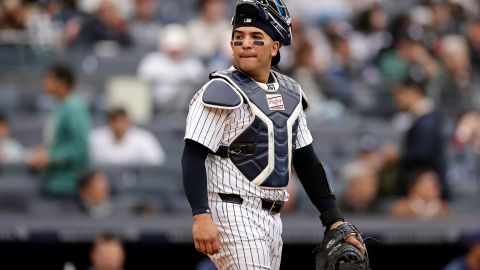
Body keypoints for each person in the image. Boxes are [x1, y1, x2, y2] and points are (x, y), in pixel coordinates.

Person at [181, 1, 366, 269]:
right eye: (238, 38)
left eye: (256, 38)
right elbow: (192, 156)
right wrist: (200, 215)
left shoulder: (290, 92)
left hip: (272, 217)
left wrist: (332, 217)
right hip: (231, 210)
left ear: (275, 47)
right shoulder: (219, 91)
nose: (245, 44)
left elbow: (306, 160)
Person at [26, 63, 91, 197]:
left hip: (69, 184)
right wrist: (42, 152)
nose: (44, 82)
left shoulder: (74, 108)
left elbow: (80, 147)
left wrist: (50, 156)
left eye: (49, 78)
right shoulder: (62, 107)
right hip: (55, 181)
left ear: (62, 82)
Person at [89, 108, 165, 166]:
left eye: (121, 120)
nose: (117, 125)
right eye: (113, 120)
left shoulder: (144, 139)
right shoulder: (95, 137)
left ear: (128, 121)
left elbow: (156, 162)